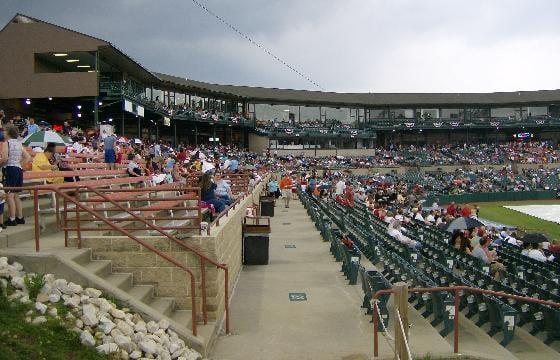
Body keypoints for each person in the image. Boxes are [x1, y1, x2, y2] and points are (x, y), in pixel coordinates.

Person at [0, 125, 32, 226]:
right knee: (16, 194)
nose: (3, 133)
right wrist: (20, 165)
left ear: (8, 133)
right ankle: (20, 217)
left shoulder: (6, 143)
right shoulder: (19, 144)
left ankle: (12, 219)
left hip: (9, 169)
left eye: (4, 131)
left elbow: (4, 158)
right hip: (18, 169)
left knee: (9, 194)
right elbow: (28, 157)